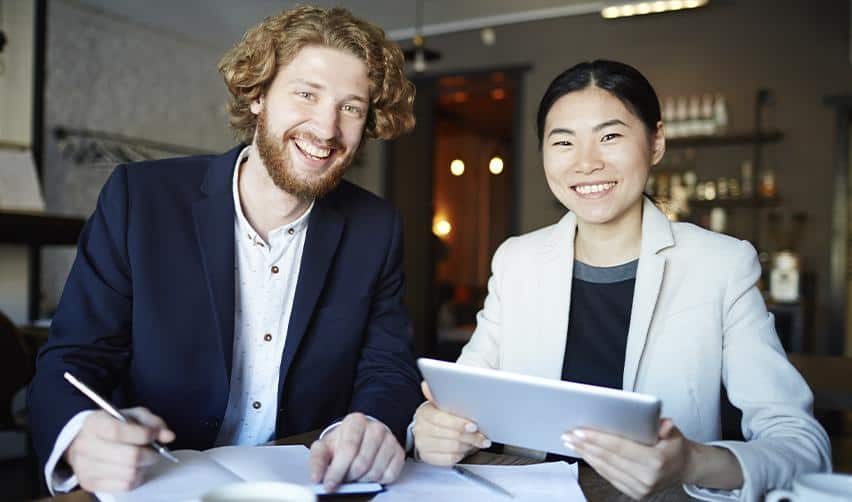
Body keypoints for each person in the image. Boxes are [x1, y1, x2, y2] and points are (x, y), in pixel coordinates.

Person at [29, 5, 422, 495]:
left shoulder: (375, 227)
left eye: (351, 108)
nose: (326, 129)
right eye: (306, 94)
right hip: (160, 480)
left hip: (302, 486)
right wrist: (78, 437)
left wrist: (374, 424)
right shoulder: (140, 199)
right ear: (258, 95)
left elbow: (388, 367)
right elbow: (71, 361)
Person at [411, 60, 831, 501]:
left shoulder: (720, 265)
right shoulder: (518, 260)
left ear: (656, 143)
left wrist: (692, 461)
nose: (586, 163)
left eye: (610, 136)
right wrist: (431, 426)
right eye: (563, 142)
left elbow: (801, 444)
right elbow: (458, 399)